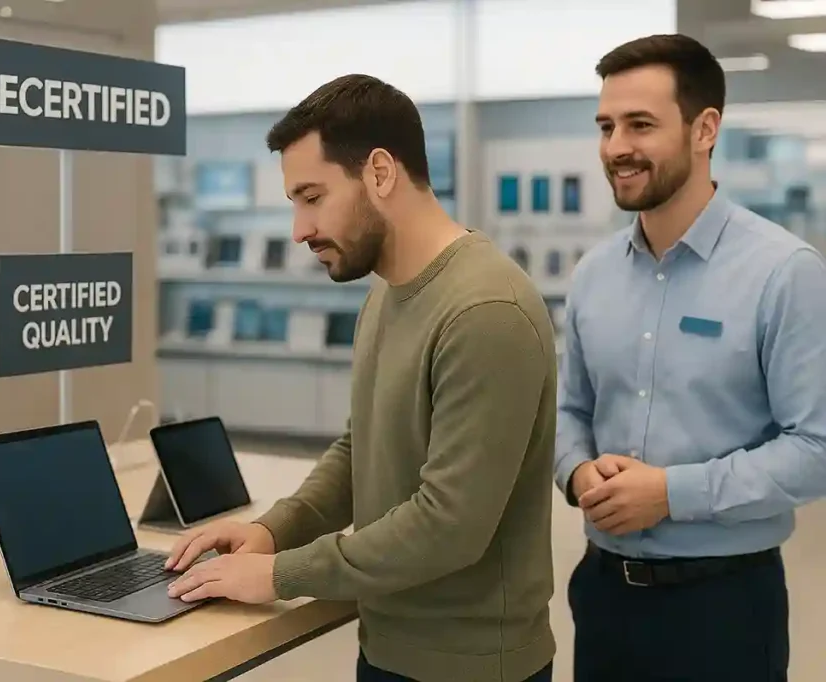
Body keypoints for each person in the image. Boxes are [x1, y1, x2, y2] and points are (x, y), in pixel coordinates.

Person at [164, 74, 557, 682]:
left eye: (312, 197)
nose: (299, 230)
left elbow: (448, 526)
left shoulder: (486, 312)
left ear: (379, 172)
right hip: (387, 649)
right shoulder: (387, 294)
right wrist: (271, 532)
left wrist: (279, 574)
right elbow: (361, 449)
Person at [555, 33, 826, 682]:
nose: (616, 146)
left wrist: (673, 494)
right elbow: (569, 410)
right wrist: (577, 472)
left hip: (724, 609)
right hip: (603, 596)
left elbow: (816, 447)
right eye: (606, 126)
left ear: (705, 130)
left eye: (640, 125)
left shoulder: (784, 273)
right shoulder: (592, 276)